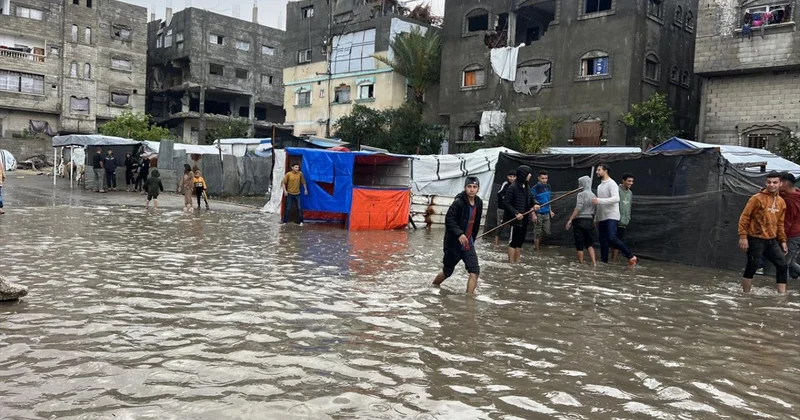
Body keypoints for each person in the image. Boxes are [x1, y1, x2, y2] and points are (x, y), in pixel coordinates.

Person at [738, 171, 789, 294]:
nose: (771, 185)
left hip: (771, 239)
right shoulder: (756, 198)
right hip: (755, 238)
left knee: (782, 265)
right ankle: (745, 295)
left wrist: (783, 241)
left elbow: (780, 223)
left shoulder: (781, 202)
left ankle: (781, 296)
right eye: (769, 182)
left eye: (775, 182)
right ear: (766, 183)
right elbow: (744, 217)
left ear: (780, 184)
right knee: (752, 266)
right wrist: (743, 237)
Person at [432, 176, 483, 294]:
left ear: (478, 189)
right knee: (447, 272)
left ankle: (469, 300)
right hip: (453, 245)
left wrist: (472, 239)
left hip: (468, 244)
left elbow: (476, 223)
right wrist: (460, 234)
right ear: (465, 188)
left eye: (474, 187)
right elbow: (449, 220)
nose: (472, 189)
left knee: (475, 271)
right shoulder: (458, 202)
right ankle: (433, 286)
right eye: (469, 187)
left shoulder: (479, 203)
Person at [592, 164, 638, 266]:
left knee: (612, 237)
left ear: (605, 171)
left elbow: (616, 199)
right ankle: (604, 263)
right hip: (602, 217)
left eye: (599, 170)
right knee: (603, 242)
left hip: (612, 216)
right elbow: (598, 205)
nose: (597, 172)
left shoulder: (612, 184)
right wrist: (596, 218)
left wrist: (599, 200)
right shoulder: (600, 186)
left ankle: (630, 256)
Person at [502, 165, 540, 263]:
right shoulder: (512, 188)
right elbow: (506, 203)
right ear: (524, 175)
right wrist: (515, 213)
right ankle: (511, 263)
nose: (530, 175)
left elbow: (531, 198)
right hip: (515, 220)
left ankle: (517, 260)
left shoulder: (527, 187)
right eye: (529, 173)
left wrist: (536, 203)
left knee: (520, 242)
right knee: (513, 242)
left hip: (524, 219)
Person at [566, 175, 597, 265]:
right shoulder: (594, 195)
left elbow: (578, 208)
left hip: (580, 221)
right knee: (589, 243)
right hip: (589, 221)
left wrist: (570, 219)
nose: (579, 186)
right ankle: (594, 263)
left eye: (580, 184)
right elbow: (596, 209)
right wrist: (594, 220)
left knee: (579, 244)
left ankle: (581, 263)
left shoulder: (581, 194)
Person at [779, 172, 800, 279]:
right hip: (797, 234)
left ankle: (783, 292)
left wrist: (782, 239)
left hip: (792, 235)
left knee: (784, 264)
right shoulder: (796, 194)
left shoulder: (790, 201)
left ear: (785, 184)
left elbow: (787, 222)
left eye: (778, 182)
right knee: (790, 263)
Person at [612, 173, 635, 261]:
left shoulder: (630, 193)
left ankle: (613, 260)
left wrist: (628, 217)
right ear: (623, 180)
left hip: (624, 221)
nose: (631, 183)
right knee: (612, 239)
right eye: (629, 181)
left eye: (632, 181)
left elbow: (629, 206)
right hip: (614, 219)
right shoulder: (617, 190)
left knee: (619, 240)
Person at [532, 170, 555, 251]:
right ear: (538, 178)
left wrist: (550, 210)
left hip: (546, 213)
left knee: (547, 232)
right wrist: (533, 214)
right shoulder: (535, 188)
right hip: (538, 213)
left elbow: (548, 200)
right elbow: (531, 202)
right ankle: (537, 250)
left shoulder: (548, 186)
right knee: (537, 232)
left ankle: (536, 245)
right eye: (542, 178)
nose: (544, 180)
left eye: (546, 178)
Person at [494, 170, 517, 245]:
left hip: (511, 210)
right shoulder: (505, 184)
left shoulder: (517, 186)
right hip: (502, 209)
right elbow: (499, 193)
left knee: (512, 226)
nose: (512, 178)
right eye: (510, 176)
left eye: (514, 177)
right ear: (507, 177)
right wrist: (505, 198)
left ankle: (511, 244)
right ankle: (496, 243)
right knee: (500, 225)